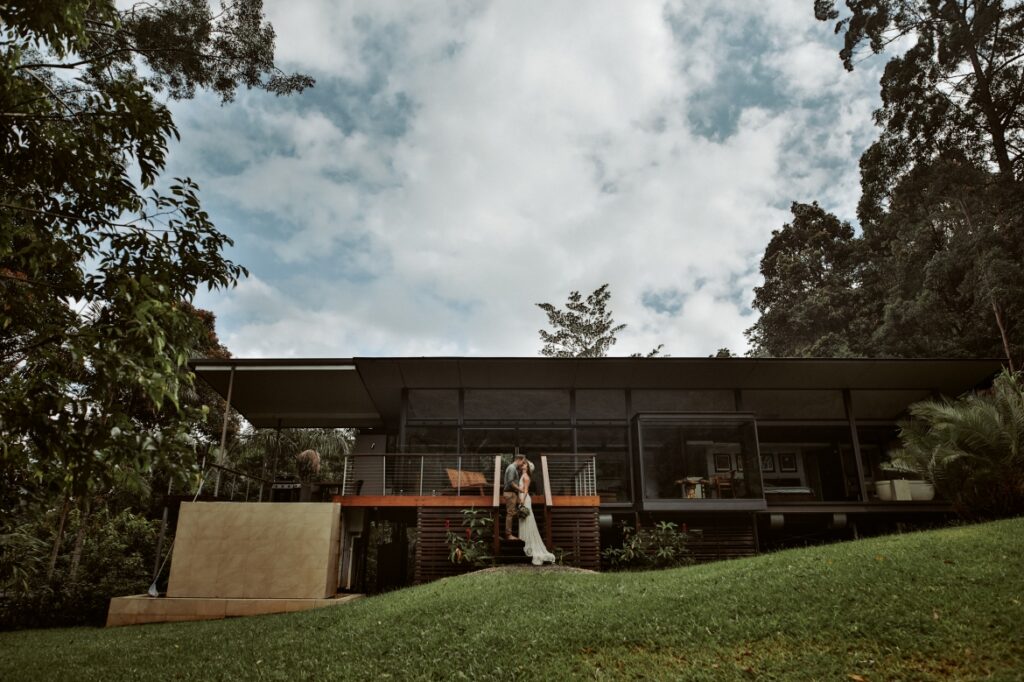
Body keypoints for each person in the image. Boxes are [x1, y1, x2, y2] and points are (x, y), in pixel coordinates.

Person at [517, 459, 555, 565]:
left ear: (528, 467)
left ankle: (530, 544)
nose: (522, 465)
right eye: (523, 464)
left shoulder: (526, 477)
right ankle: (525, 542)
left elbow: (525, 490)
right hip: (521, 499)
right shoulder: (522, 475)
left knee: (527, 519)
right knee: (523, 520)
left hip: (525, 499)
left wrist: (522, 501)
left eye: (525, 464)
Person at [502, 454, 526, 540]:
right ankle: (508, 534)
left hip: (512, 494)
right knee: (510, 514)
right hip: (510, 493)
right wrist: (520, 489)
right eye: (523, 461)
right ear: (518, 460)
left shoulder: (513, 468)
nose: (523, 464)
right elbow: (510, 482)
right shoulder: (512, 468)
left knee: (513, 512)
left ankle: (513, 533)